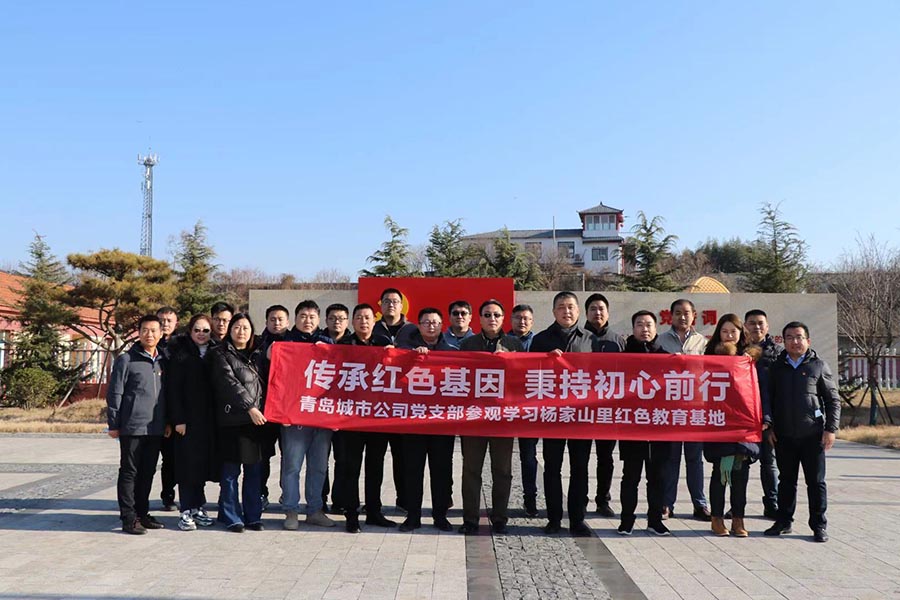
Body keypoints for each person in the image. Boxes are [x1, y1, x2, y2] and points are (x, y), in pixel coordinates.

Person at [764, 322, 840, 543]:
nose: (794, 341)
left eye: (799, 337)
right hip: (784, 435)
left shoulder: (818, 366)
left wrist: (831, 429)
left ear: (808, 340)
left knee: (816, 482)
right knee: (786, 481)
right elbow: (768, 401)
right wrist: (769, 427)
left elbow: (833, 400)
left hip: (812, 435)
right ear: (783, 341)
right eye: (789, 337)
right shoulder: (776, 368)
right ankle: (783, 521)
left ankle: (819, 525)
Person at [458, 300, 524, 535]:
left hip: (503, 419)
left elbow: (524, 379)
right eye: (487, 315)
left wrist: (509, 362)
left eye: (496, 315)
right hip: (474, 418)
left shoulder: (514, 344)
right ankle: (470, 520)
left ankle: (499, 518)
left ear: (503, 319)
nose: (492, 319)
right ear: (479, 319)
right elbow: (460, 377)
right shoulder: (468, 345)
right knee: (471, 471)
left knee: (502, 471)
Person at [530, 291, 593, 536]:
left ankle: (577, 519)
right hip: (552, 415)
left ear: (578, 311)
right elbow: (528, 374)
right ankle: (554, 518)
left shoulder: (591, 340)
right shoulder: (541, 340)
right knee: (552, 468)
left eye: (570, 307)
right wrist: (546, 361)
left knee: (580, 468)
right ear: (554, 311)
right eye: (561, 307)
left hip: (581, 416)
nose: (566, 311)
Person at [702, 314, 765, 537]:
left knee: (741, 475)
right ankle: (717, 519)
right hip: (718, 422)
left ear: (741, 333)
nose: (729, 335)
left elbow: (761, 390)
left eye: (733, 331)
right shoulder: (710, 357)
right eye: (724, 331)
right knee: (719, 473)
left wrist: (764, 418)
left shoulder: (750, 359)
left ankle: (738, 519)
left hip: (743, 424)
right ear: (718, 333)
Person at [337, 303, 396, 533]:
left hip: (376, 416)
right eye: (359, 317)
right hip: (351, 417)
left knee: (375, 466)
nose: (363, 321)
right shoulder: (343, 345)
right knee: (350, 467)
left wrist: (395, 355)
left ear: (374, 321)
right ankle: (351, 514)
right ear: (353, 322)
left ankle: (374, 511)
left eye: (368, 317)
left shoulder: (384, 343)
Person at [107, 315, 168, 534]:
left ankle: (142, 513)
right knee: (129, 472)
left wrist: (167, 421)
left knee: (148, 472)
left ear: (161, 333)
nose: (149, 334)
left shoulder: (163, 360)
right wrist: (113, 423)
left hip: (156, 427)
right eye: (144, 330)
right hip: (132, 426)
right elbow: (115, 392)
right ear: (139, 333)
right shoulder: (127, 359)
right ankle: (129, 517)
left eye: (153, 330)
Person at [398, 307, 457, 532]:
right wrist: (411, 358)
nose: (431, 326)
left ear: (442, 325)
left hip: (442, 422)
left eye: (435, 322)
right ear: (418, 325)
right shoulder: (405, 350)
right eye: (426, 322)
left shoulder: (452, 351)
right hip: (413, 420)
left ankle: (440, 516)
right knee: (413, 470)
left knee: (441, 471)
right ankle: (412, 516)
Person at [208, 313, 267, 532]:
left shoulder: (259, 354)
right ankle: (231, 515)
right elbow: (229, 383)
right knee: (230, 472)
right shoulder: (220, 354)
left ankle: (253, 516)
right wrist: (250, 408)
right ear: (230, 330)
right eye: (237, 327)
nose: (241, 332)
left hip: (256, 423)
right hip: (232, 420)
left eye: (245, 328)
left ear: (252, 331)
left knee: (254, 472)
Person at [280, 300, 336, 529]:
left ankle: (315, 509)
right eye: (303, 316)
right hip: (294, 416)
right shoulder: (285, 343)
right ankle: (291, 510)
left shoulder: (328, 343)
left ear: (319, 319)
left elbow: (340, 380)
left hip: (321, 415)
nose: (308, 320)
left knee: (319, 466)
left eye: (312, 316)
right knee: (292, 466)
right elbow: (277, 380)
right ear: (296, 318)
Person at [617, 310, 672, 536]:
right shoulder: (622, 357)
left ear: (656, 328)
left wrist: (681, 364)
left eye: (649, 324)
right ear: (633, 329)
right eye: (639, 324)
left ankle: (655, 520)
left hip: (659, 426)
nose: (644, 329)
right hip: (632, 426)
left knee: (657, 478)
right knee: (630, 477)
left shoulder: (666, 356)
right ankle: (626, 520)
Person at [657, 298, 711, 521]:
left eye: (686, 312)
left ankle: (700, 504)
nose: (682, 316)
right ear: (671, 316)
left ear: (694, 315)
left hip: (694, 409)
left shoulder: (703, 343)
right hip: (670, 410)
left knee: (694, 460)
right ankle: (666, 504)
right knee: (670, 459)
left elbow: (711, 372)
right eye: (678, 312)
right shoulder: (660, 341)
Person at [166, 314, 218, 531]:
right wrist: (178, 419)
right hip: (186, 421)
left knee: (201, 466)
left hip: (209, 421)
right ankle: (186, 509)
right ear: (190, 331)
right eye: (197, 330)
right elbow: (173, 390)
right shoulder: (181, 353)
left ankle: (198, 507)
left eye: (206, 330)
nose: (201, 334)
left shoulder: (216, 352)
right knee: (186, 466)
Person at [372, 288, 416, 511]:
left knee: (403, 457)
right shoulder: (372, 328)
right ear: (380, 305)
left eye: (395, 301)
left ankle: (404, 500)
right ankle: (373, 503)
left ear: (402, 305)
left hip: (403, 406)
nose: (391, 304)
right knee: (374, 458)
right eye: (387, 301)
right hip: (376, 405)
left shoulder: (413, 330)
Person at [583, 293, 625, 518]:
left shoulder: (618, 341)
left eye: (601, 309)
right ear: (586, 313)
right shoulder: (578, 338)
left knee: (605, 458)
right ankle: (579, 499)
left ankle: (603, 500)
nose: (597, 313)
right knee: (580, 458)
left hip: (608, 410)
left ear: (608, 313)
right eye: (593, 309)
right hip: (581, 409)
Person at [744, 309, 783, 519]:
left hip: (768, 418)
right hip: (743, 416)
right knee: (741, 463)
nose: (756, 327)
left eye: (760, 323)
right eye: (752, 323)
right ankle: (737, 505)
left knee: (769, 462)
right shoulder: (738, 351)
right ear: (745, 326)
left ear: (767, 327)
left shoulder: (777, 353)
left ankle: (772, 503)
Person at [257, 304, 291, 510]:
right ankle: (261, 493)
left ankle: (287, 494)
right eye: (272, 319)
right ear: (266, 321)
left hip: (289, 410)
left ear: (288, 322)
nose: (276, 323)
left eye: (280, 319)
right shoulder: (258, 344)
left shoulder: (296, 343)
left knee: (290, 456)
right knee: (263, 456)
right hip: (265, 410)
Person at [510, 304, 538, 517]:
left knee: (528, 457)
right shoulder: (501, 342)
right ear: (511, 320)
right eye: (518, 318)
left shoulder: (540, 342)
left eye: (526, 318)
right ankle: (500, 502)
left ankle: (530, 499)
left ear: (532, 321)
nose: (522, 322)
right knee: (500, 460)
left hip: (530, 409)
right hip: (504, 408)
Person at [155, 306, 179, 512]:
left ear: (176, 323)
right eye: (161, 320)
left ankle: (169, 495)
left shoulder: (181, 346)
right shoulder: (149, 346)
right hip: (154, 411)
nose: (165, 324)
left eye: (169, 320)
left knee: (173, 458)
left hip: (175, 410)